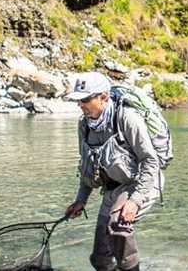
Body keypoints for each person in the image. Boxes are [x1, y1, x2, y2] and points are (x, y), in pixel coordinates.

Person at [64, 72, 162, 271]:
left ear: (104, 97)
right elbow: (87, 165)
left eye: (85, 99)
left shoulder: (127, 118)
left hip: (141, 183)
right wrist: (81, 200)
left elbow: (151, 162)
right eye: (78, 100)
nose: (80, 105)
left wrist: (134, 201)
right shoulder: (84, 125)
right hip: (112, 189)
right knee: (101, 255)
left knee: (118, 227)